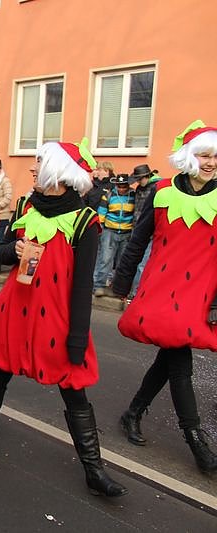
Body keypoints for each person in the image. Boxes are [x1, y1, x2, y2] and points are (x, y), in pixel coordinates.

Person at [0, 139, 127, 498]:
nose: (32, 167)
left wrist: (77, 338)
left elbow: (83, 285)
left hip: (57, 317)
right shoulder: (26, 204)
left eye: (39, 161)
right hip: (16, 307)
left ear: (58, 171)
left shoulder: (85, 220)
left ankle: (94, 470)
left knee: (73, 389)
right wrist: (15, 249)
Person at [112, 120, 217, 475]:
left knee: (171, 355)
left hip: (199, 295)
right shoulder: (161, 192)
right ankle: (196, 439)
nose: (211, 162)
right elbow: (137, 241)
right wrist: (122, 284)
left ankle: (133, 413)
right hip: (160, 289)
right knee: (179, 359)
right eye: (205, 154)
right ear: (189, 155)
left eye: (216, 156)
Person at [92, 173, 136, 296]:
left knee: (122, 261)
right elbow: (101, 213)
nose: (121, 189)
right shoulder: (109, 195)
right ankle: (98, 286)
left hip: (126, 232)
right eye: (119, 186)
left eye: (124, 186)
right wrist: (100, 229)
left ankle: (117, 287)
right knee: (105, 259)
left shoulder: (134, 195)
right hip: (109, 231)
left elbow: (136, 212)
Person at [126, 164, 160, 299]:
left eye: (139, 180)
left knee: (143, 264)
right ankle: (131, 290)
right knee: (133, 260)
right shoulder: (141, 188)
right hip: (137, 228)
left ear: (147, 176)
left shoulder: (156, 188)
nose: (138, 183)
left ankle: (135, 294)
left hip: (150, 231)